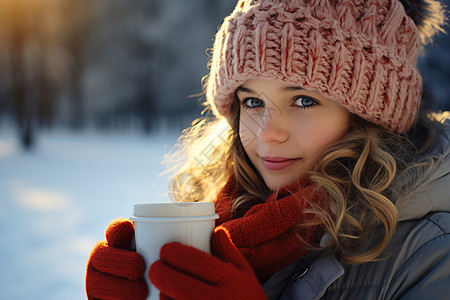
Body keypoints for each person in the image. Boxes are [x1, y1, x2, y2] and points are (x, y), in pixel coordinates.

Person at [85, 0, 450, 299]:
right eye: (253, 102)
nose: (267, 133)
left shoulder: (431, 252)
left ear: (369, 120)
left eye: (304, 100)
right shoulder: (219, 215)